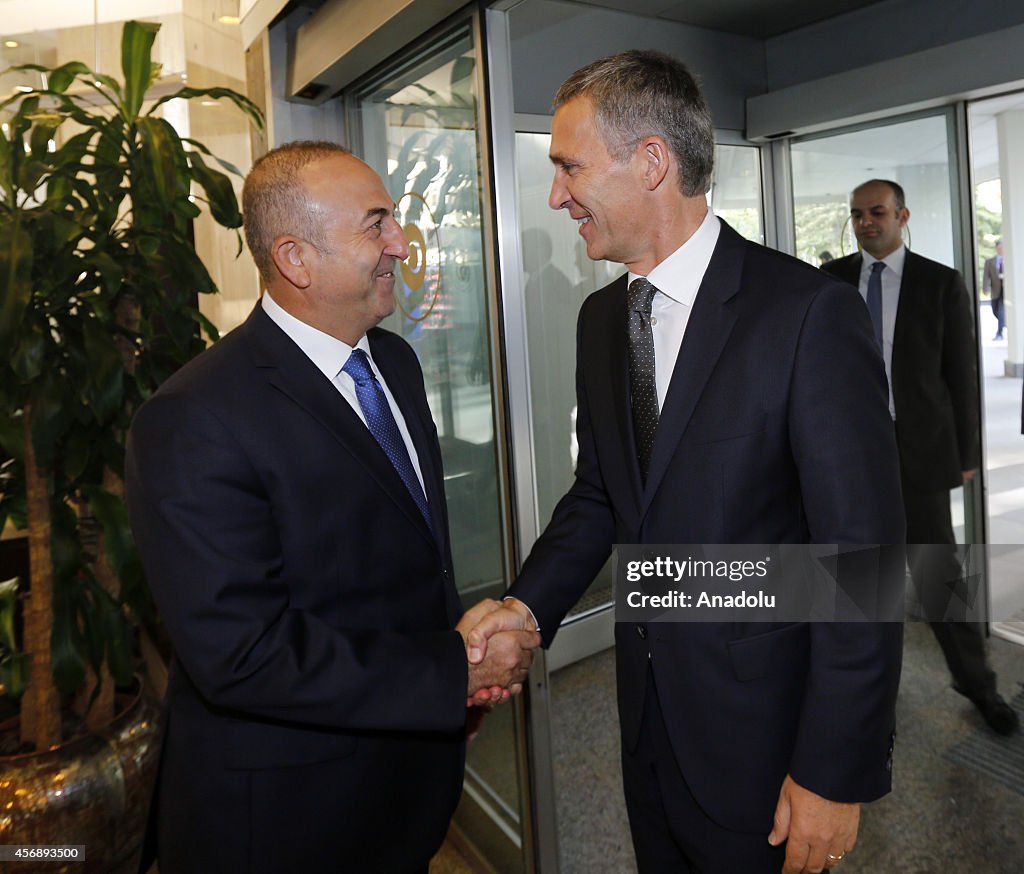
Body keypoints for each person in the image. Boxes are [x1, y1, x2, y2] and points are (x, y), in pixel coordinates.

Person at [470, 51, 905, 874]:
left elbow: (864, 561)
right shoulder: (602, 320)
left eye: (569, 167)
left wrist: (832, 771)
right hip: (647, 736)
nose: (557, 194)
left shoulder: (808, 315)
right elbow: (601, 495)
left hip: (770, 752)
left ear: (653, 162)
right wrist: (525, 609)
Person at [125, 140, 539, 874]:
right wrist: (448, 673)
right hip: (289, 820)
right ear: (295, 258)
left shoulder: (397, 365)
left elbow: (404, 561)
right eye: (376, 225)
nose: (401, 245)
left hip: (404, 784)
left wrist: (446, 692)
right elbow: (242, 654)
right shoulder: (194, 418)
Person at [822, 180, 1019, 737]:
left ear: (902, 215)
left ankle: (979, 687)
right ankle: (863, 697)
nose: (866, 223)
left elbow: (962, 374)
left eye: (877, 212)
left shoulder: (940, 283)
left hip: (919, 455)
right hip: (849, 457)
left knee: (939, 577)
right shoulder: (831, 280)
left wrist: (967, 453)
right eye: (857, 214)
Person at [983, 239, 1005, 340]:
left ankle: (999, 333)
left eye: (1002, 247)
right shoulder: (990, 261)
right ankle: (1004, 323)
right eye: (998, 248)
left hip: (1006, 291)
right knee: (995, 311)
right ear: (996, 249)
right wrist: (985, 288)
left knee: (1001, 311)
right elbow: (986, 276)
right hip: (995, 290)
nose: (1000, 249)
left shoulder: (1009, 260)